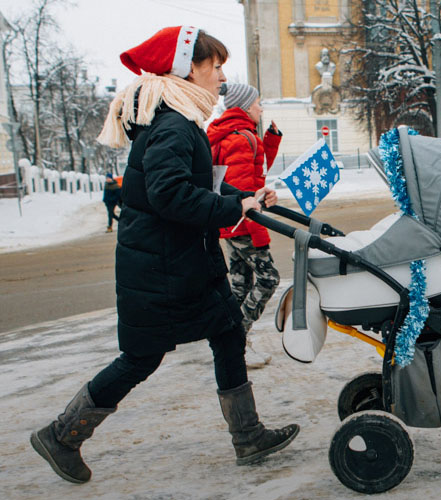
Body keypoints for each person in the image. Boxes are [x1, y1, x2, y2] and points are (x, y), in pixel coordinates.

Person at [29, 26, 299, 485]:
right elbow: (171, 195)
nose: (221, 77)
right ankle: (62, 435)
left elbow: (197, 187)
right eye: (216, 66)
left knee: (228, 332)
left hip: (181, 263)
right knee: (142, 357)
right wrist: (234, 208)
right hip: (161, 268)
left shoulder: (179, 120)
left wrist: (244, 197)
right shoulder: (173, 125)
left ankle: (248, 435)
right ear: (188, 68)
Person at [207, 83, 281, 369]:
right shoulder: (240, 138)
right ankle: (236, 341)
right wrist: (256, 229)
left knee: (240, 286)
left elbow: (253, 171)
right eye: (257, 103)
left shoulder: (230, 134)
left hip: (229, 225)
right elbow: (242, 190)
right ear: (246, 106)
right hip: (242, 223)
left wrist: (269, 141)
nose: (260, 108)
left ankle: (230, 345)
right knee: (268, 279)